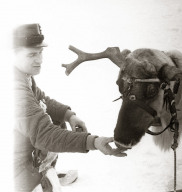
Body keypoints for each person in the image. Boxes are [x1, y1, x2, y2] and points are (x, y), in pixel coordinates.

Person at [13, 23, 126, 192]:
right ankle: (33, 178)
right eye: (31, 55)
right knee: (46, 131)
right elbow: (45, 135)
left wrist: (69, 115)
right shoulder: (13, 89)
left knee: (54, 116)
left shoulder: (21, 75)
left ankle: (40, 172)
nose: (40, 60)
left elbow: (42, 99)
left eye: (40, 52)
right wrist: (92, 142)